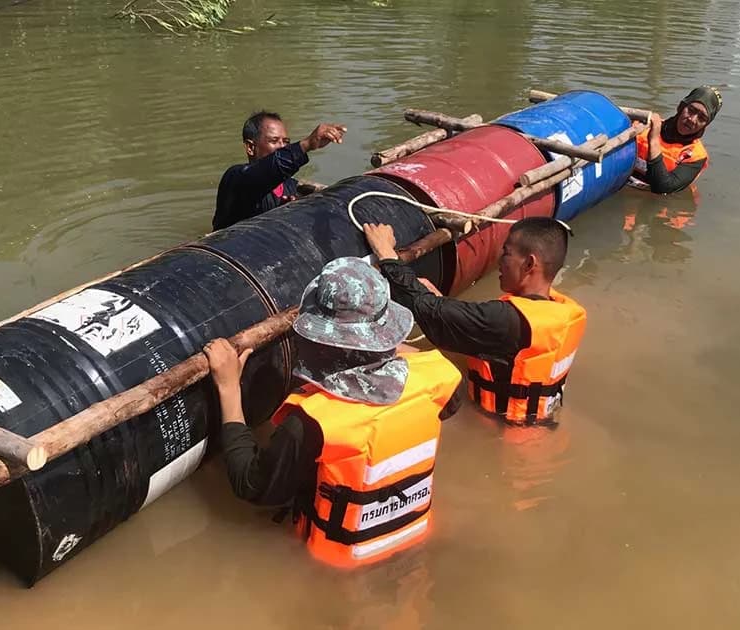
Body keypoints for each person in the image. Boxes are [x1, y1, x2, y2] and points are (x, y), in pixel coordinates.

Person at [203, 257, 463, 568]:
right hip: (410, 540)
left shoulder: (312, 423)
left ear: (321, 340)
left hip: (335, 567)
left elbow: (251, 485)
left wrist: (229, 389)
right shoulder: (440, 380)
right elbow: (441, 393)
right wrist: (383, 348)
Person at [362, 217, 586, 426]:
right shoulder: (559, 309)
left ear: (529, 264)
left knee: (399, 350)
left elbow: (428, 311)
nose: (499, 260)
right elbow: (489, 333)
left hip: (503, 430)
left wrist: (385, 252)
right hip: (540, 422)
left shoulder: (506, 320)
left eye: (506, 253)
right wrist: (442, 303)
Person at [212, 111, 347, 231]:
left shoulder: (291, 186)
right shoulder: (236, 178)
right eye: (274, 141)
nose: (282, 147)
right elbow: (271, 167)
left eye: (286, 142)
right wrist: (307, 144)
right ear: (250, 147)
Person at [630, 85, 722, 194]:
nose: (692, 120)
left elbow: (662, 188)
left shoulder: (696, 156)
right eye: (691, 110)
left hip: (659, 202)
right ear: (681, 107)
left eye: (702, 118)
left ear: (706, 125)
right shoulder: (643, 125)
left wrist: (653, 139)